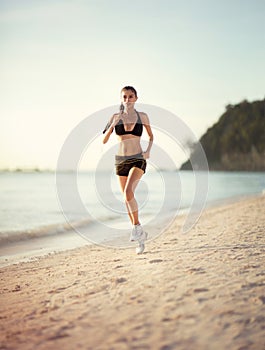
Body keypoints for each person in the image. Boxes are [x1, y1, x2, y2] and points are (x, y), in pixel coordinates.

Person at [103, 86, 154, 254]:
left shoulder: (143, 116)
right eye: (124, 97)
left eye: (130, 96)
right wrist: (112, 126)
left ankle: (136, 228)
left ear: (136, 98)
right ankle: (139, 233)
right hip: (120, 161)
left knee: (127, 194)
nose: (127, 100)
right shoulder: (115, 117)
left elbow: (151, 136)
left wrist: (148, 151)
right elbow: (104, 140)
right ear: (121, 99)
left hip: (138, 159)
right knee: (126, 200)